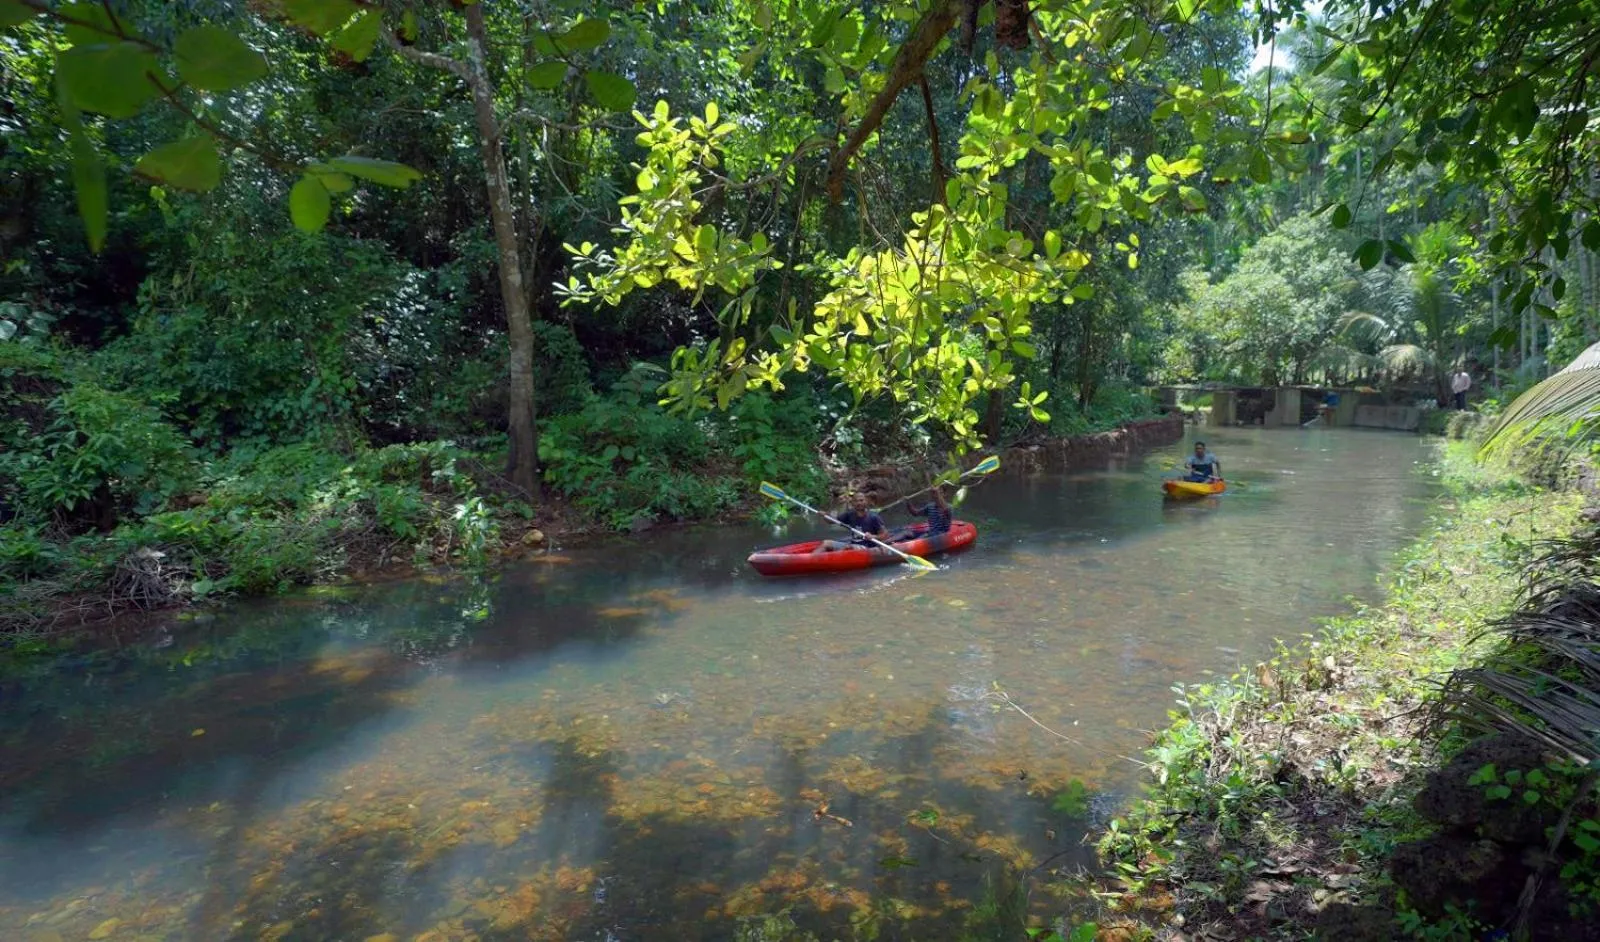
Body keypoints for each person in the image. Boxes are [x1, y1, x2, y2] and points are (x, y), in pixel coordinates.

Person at [811, 491, 888, 553]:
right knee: (826, 543)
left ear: (866, 501)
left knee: (849, 547)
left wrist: (873, 536)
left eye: (861, 500)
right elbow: (832, 521)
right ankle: (812, 560)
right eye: (856, 501)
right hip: (853, 545)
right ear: (852, 503)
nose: (859, 503)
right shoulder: (850, 514)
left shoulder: (873, 517)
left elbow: (885, 535)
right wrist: (825, 515)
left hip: (868, 548)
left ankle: (832, 561)